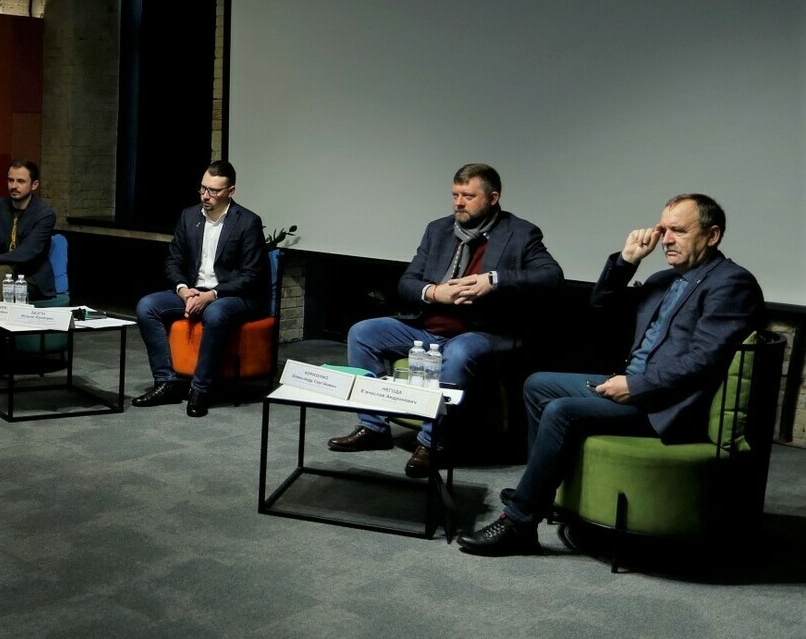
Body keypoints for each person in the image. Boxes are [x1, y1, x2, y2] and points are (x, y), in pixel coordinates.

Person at [457, 193, 764, 556]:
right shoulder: (666, 279)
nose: (666, 239)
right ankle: (541, 491)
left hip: (667, 404)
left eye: (679, 231)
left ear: (712, 236)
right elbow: (602, 306)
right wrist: (627, 261)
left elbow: (704, 360)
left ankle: (519, 521)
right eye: (664, 230)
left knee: (561, 411)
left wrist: (636, 385)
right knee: (538, 385)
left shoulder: (731, 284)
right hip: (637, 385)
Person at [327, 164, 563, 477]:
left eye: (468, 196)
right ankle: (373, 426)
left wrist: (493, 280)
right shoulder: (438, 230)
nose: (458, 203)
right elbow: (408, 282)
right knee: (363, 332)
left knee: (459, 351)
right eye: (455, 195)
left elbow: (551, 276)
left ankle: (432, 442)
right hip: (427, 327)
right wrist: (436, 292)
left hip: (481, 332)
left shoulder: (520, 233)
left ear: (493, 198)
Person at [132, 160, 270, 418]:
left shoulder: (247, 222)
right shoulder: (189, 216)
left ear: (230, 191)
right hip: (194, 290)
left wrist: (211, 295)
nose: (206, 196)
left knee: (215, 313)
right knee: (147, 306)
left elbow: (252, 275)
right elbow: (173, 261)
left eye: (214, 191)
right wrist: (184, 290)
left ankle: (200, 389)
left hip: (232, 295)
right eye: (203, 189)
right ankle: (166, 382)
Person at [0, 159, 57, 385]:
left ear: (34, 185)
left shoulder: (45, 214)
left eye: (20, 181)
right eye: (10, 180)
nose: (14, 186)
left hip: (31, 278)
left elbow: (27, 252)